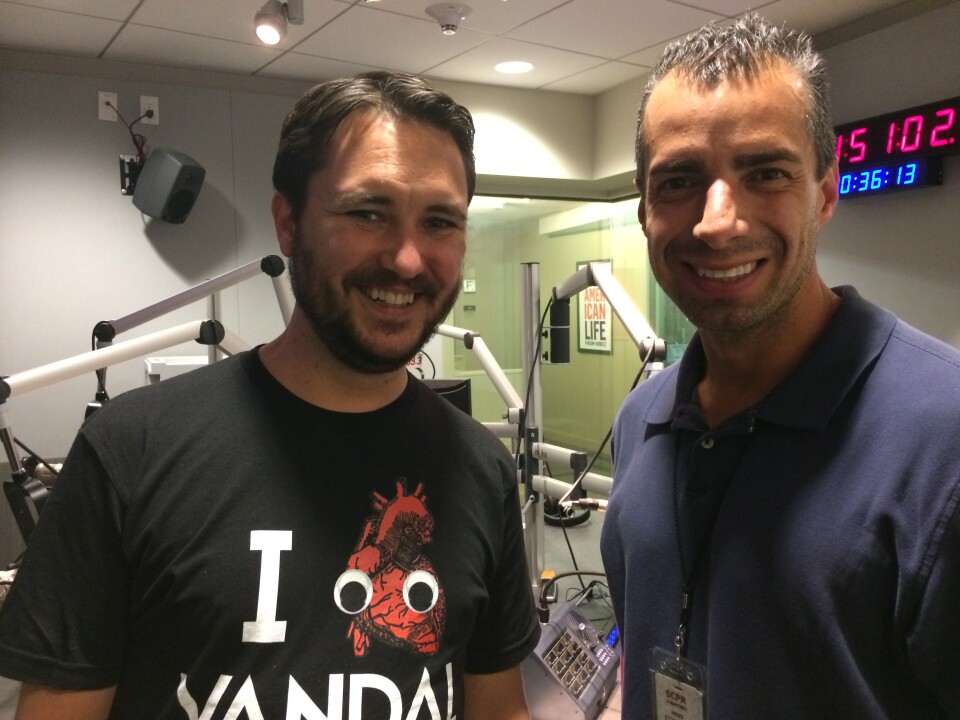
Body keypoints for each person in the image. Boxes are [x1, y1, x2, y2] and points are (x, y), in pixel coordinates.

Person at [0, 71, 540, 720]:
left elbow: (498, 709)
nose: (407, 259)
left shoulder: (480, 473)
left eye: (440, 221)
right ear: (288, 222)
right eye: (368, 212)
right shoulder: (130, 454)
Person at [600, 14, 960, 719]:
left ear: (824, 193)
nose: (717, 220)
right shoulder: (642, 418)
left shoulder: (944, 441)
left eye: (765, 172)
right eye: (678, 182)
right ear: (644, 210)